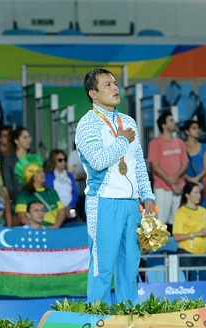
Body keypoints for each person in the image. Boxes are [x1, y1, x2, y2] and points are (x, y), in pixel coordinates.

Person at [75, 68, 156, 303]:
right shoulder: (87, 124)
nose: (115, 88)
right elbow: (99, 161)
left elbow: (138, 163)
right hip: (103, 202)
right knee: (103, 269)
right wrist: (121, 140)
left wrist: (147, 195)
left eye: (115, 83)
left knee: (130, 268)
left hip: (131, 205)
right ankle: (96, 323)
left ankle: (128, 320)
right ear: (94, 94)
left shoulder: (128, 121)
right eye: (107, 85)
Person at [147, 111, 188, 226]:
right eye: (171, 120)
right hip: (162, 187)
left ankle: (174, 244)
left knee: (177, 222)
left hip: (179, 187)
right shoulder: (155, 143)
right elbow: (155, 166)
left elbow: (184, 163)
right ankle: (159, 244)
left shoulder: (180, 142)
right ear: (163, 126)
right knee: (160, 222)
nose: (175, 122)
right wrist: (171, 183)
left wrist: (175, 181)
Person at [172, 181, 206, 281]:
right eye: (195, 193)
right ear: (187, 195)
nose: (199, 195)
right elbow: (176, 237)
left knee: (203, 284)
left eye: (199, 193)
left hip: (203, 253)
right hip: (188, 254)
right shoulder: (181, 213)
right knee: (189, 284)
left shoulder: (204, 211)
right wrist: (195, 234)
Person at [14, 154, 65, 228]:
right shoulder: (24, 195)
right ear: (32, 177)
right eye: (38, 172)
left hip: (54, 231)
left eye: (43, 171)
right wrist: (40, 228)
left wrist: (55, 227)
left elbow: (61, 212)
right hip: (36, 232)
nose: (43, 174)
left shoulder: (52, 192)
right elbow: (22, 218)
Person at [1, 126, 32, 208]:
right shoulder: (9, 161)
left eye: (29, 137)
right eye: (25, 137)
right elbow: (9, 186)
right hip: (17, 203)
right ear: (16, 141)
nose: (28, 140)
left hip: (34, 201)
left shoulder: (34, 159)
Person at [45, 148, 79, 217]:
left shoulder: (70, 176)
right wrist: (61, 208)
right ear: (53, 161)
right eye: (60, 160)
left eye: (65, 159)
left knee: (76, 224)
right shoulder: (48, 176)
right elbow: (50, 194)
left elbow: (75, 193)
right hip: (56, 210)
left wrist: (70, 206)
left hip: (71, 209)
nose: (63, 162)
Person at [182, 119, 206, 191]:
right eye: (194, 128)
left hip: (199, 183)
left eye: (198, 128)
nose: (197, 130)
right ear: (187, 131)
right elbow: (178, 167)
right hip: (185, 183)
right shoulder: (181, 147)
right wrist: (189, 179)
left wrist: (196, 179)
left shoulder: (204, 147)